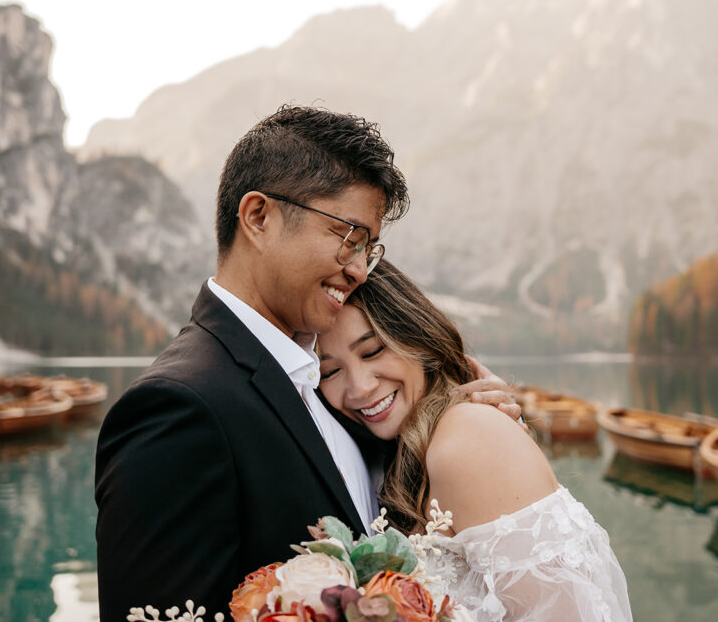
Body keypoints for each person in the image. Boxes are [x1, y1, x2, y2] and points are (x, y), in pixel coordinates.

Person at [94, 106, 520, 621]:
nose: (360, 270)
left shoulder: (325, 383)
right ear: (258, 217)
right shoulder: (179, 408)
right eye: (349, 238)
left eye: (370, 248)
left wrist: (464, 424)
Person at [316, 260, 633, 622]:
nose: (359, 388)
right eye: (330, 371)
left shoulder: (467, 438)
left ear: (416, 337)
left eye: (372, 351)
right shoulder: (397, 454)